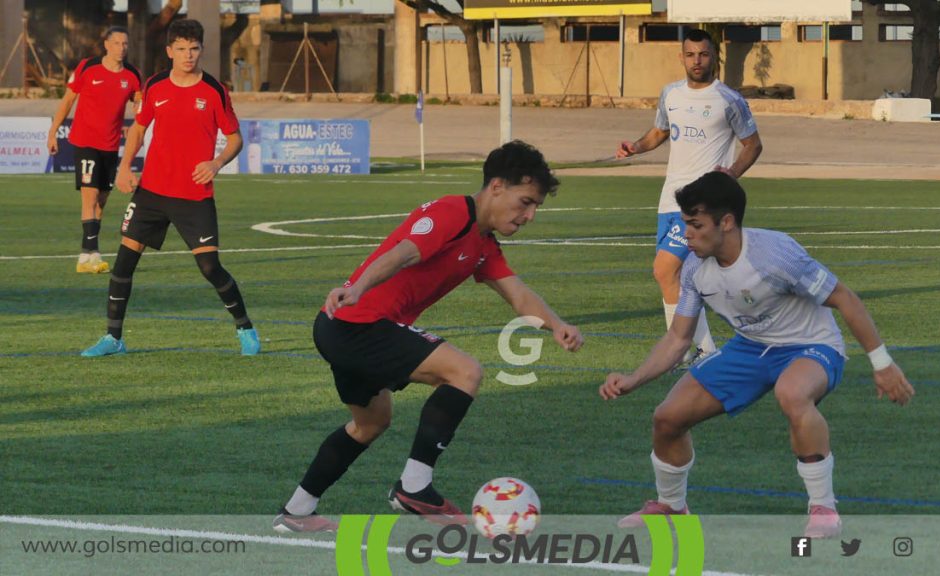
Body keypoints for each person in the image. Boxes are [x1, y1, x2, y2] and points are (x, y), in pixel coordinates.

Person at [273, 141, 584, 533]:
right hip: (358, 322)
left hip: (345, 327)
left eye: (536, 206)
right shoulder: (453, 212)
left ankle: (296, 511)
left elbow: (518, 294)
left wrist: (557, 325)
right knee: (465, 372)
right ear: (497, 187)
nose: (530, 215)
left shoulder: (484, 245)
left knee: (370, 423)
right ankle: (414, 487)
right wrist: (357, 287)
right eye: (525, 202)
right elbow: (405, 251)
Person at [600, 172, 914, 539]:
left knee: (792, 394)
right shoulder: (694, 268)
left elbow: (844, 297)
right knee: (667, 418)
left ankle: (824, 509)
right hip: (749, 348)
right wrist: (634, 379)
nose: (687, 233)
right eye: (685, 223)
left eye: (696, 224)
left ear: (727, 222)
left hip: (810, 345)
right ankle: (671, 507)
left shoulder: (775, 255)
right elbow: (677, 338)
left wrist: (882, 364)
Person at [81, 19, 259, 358]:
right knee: (123, 265)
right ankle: (113, 338)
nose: (187, 55)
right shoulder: (156, 85)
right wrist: (124, 167)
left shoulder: (214, 91)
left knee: (210, 268)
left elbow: (235, 138)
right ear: (169, 51)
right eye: (180, 49)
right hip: (151, 192)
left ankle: (245, 327)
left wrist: (216, 163)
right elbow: (137, 129)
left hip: (194, 195)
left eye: (193, 49)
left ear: (201, 50)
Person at [616, 28, 762, 364]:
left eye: (704, 54)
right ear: (682, 57)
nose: (697, 61)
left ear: (714, 57)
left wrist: (731, 174)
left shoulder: (729, 99)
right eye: (691, 54)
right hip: (669, 199)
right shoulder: (671, 94)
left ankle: (682, 350)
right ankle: (702, 350)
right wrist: (635, 147)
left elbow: (753, 144)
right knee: (676, 277)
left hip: (702, 204)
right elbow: (659, 132)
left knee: (664, 270)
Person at [47, 26, 142, 274]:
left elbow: (141, 108)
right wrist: (53, 131)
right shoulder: (87, 67)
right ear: (106, 45)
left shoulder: (132, 75)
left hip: (110, 147)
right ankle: (93, 253)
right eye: (117, 43)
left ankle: (84, 257)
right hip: (85, 142)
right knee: (89, 198)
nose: (122, 48)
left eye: (125, 44)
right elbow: (68, 100)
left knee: (101, 203)